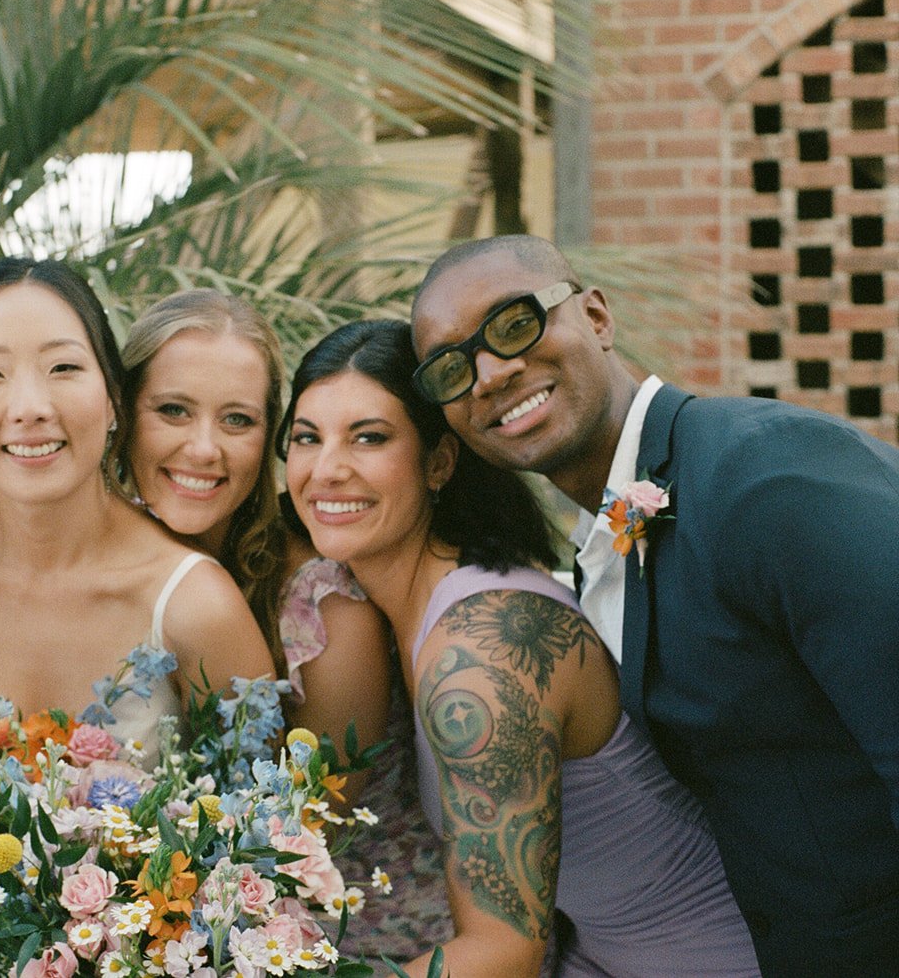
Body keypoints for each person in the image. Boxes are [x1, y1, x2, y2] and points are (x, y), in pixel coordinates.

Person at [409, 234, 899, 975]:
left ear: (598, 316)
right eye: (451, 368)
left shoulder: (764, 478)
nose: (490, 372)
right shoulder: (606, 534)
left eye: (515, 323)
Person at [282, 318, 759, 977]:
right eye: (306, 438)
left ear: (440, 461)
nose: (327, 469)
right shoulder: (403, 608)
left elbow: (504, 948)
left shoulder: (486, 643)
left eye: (369, 437)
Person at [119, 288, 449, 958]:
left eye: (237, 419)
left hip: (356, 935)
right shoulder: (93, 564)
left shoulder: (322, 602)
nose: (203, 448)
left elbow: (303, 839)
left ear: (269, 435)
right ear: (121, 415)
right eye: (173, 410)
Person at [0, 259, 273, 763]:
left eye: (63, 368)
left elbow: (269, 823)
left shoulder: (198, 606)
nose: (30, 407)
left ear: (112, 399)